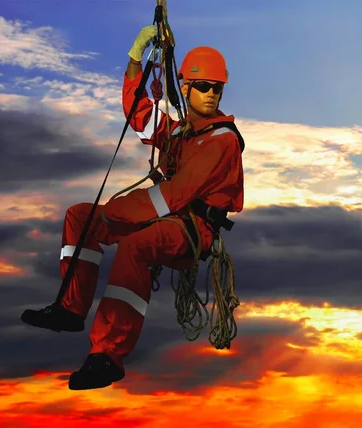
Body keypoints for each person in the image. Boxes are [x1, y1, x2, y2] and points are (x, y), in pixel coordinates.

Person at [20, 25, 245, 390]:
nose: (212, 94)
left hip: (190, 230)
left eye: (217, 87)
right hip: (162, 218)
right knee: (81, 217)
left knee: (133, 247)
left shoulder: (223, 142)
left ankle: (107, 356)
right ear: (185, 88)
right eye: (203, 86)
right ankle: (70, 307)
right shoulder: (178, 134)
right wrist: (135, 56)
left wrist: (115, 212)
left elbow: (172, 196)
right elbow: (138, 112)